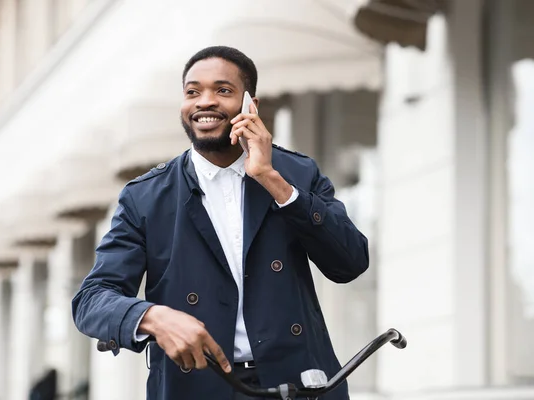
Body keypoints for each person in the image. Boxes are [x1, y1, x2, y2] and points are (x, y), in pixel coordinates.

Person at [72, 46, 369, 400]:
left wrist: (272, 181)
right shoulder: (146, 197)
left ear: (250, 106)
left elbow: (350, 262)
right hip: (196, 386)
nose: (204, 102)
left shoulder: (297, 174)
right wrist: (152, 316)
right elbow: (91, 300)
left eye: (223, 91)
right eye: (192, 92)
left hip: (298, 384)